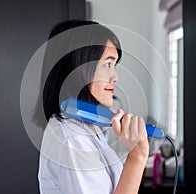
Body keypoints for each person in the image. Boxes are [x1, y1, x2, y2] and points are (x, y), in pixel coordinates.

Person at [37, 19, 149, 194]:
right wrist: (137, 157)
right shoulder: (72, 140)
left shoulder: (87, 127)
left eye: (114, 65)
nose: (115, 77)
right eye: (107, 64)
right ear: (78, 67)